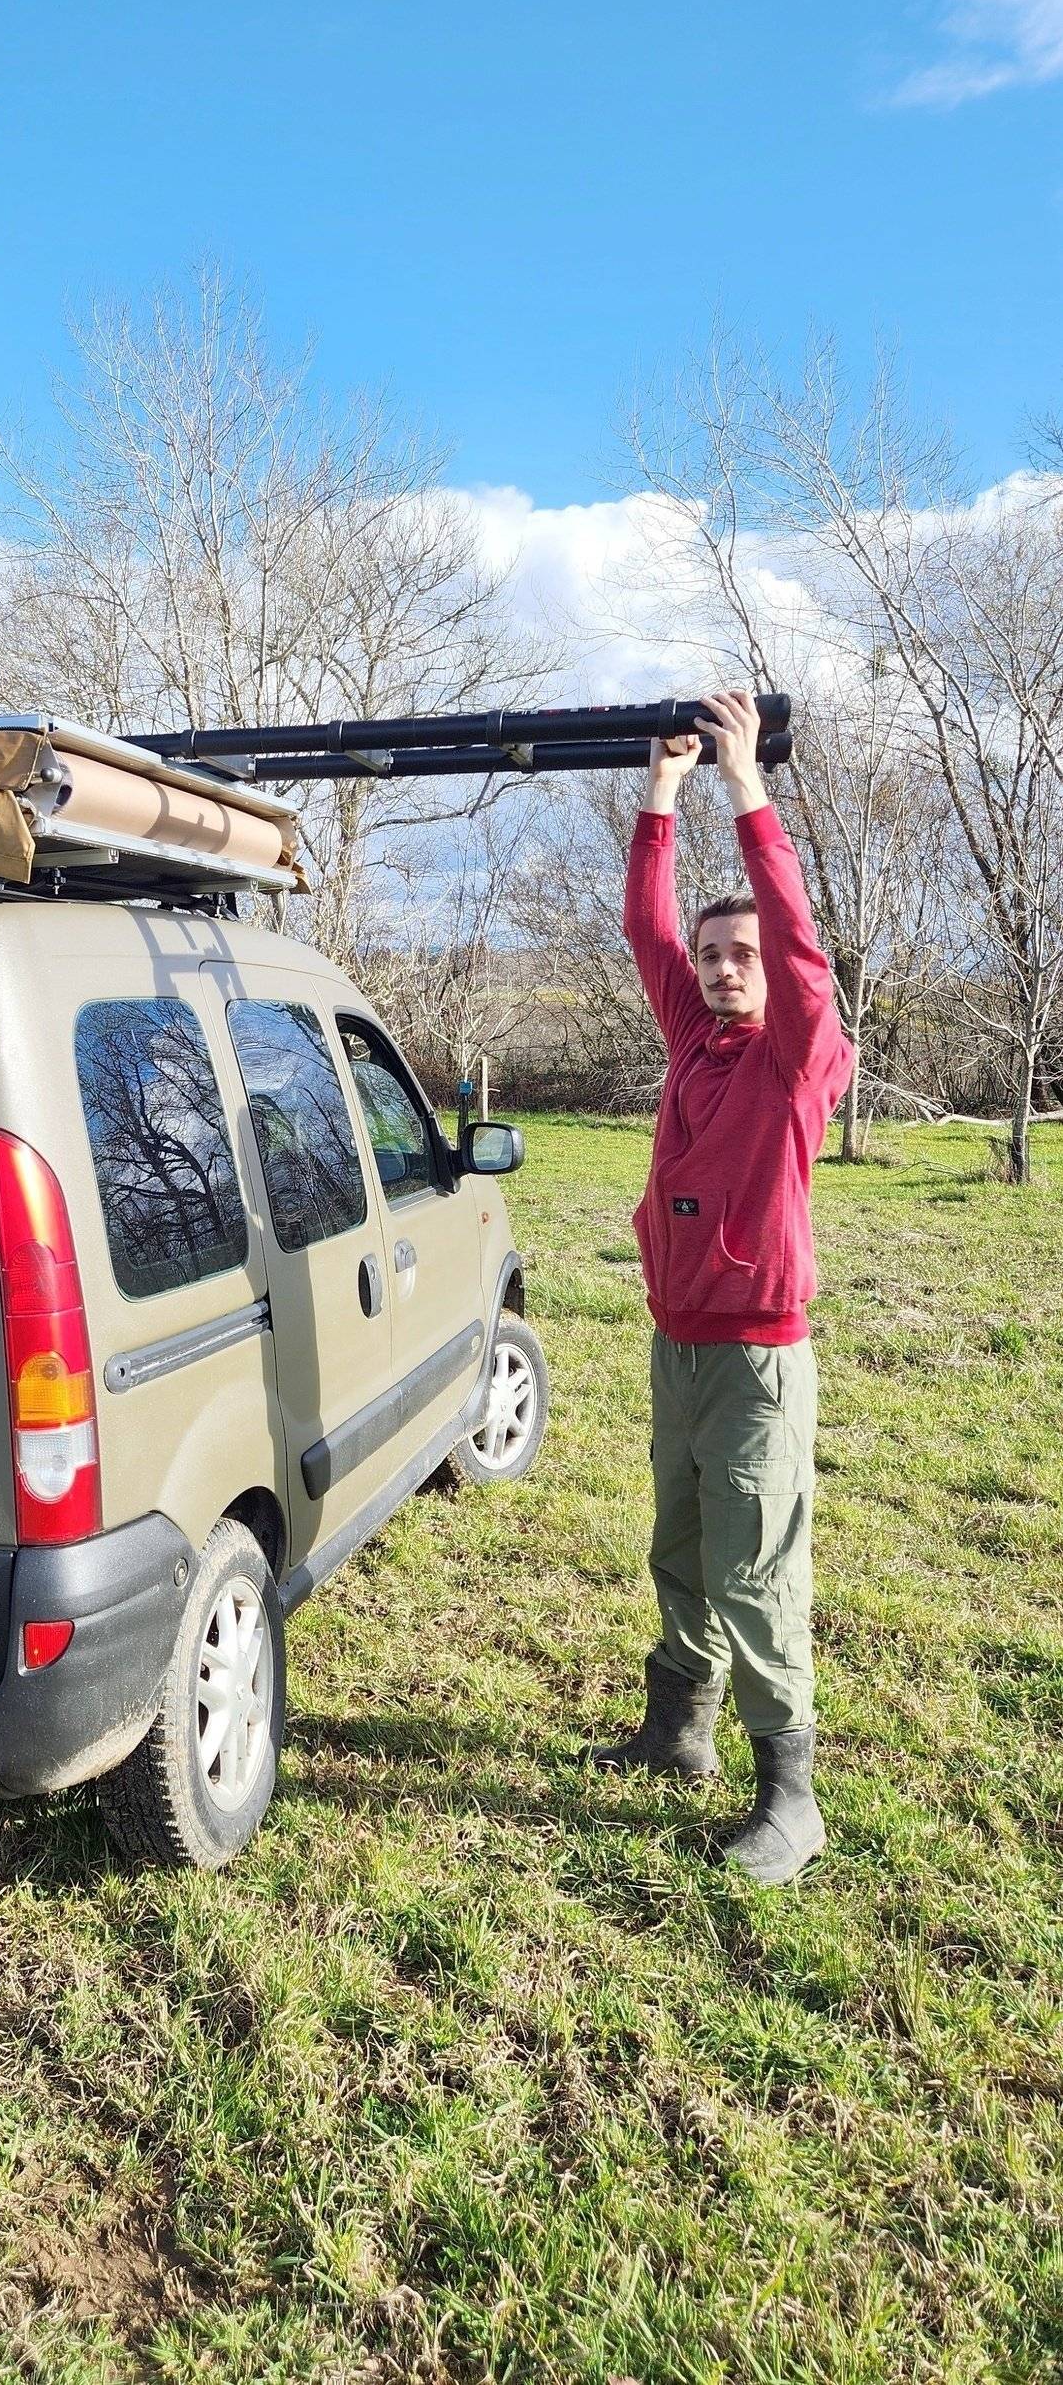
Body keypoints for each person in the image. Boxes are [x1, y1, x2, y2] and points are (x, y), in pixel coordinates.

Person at [588, 686, 853, 1886]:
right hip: (678, 1344)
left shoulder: (799, 1061)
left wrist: (747, 788)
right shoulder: (694, 1039)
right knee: (683, 1546)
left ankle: (787, 1797)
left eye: (741, 954)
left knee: (756, 1568)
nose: (725, 968)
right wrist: (662, 789)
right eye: (712, 955)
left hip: (755, 1354)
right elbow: (648, 928)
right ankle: (675, 1730)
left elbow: (800, 949)